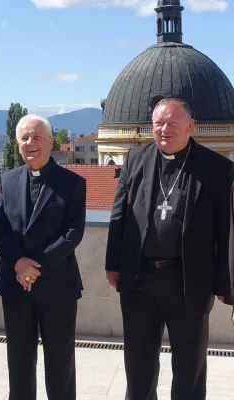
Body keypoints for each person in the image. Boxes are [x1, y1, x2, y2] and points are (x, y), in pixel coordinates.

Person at [105, 97, 234, 399]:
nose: (164, 129)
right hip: (139, 279)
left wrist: (228, 286)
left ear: (190, 126)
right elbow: (119, 215)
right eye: (158, 123)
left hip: (188, 281)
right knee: (138, 367)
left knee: (189, 368)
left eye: (172, 123)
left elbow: (228, 232)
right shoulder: (136, 158)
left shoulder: (218, 169)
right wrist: (113, 263)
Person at [0, 114, 86, 400]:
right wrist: (18, 263)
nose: (31, 143)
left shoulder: (72, 183)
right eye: (24, 138)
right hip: (14, 285)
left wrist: (34, 267)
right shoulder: (6, 180)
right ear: (17, 143)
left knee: (60, 363)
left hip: (57, 286)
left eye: (37, 137)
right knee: (18, 362)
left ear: (51, 142)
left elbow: (72, 233)